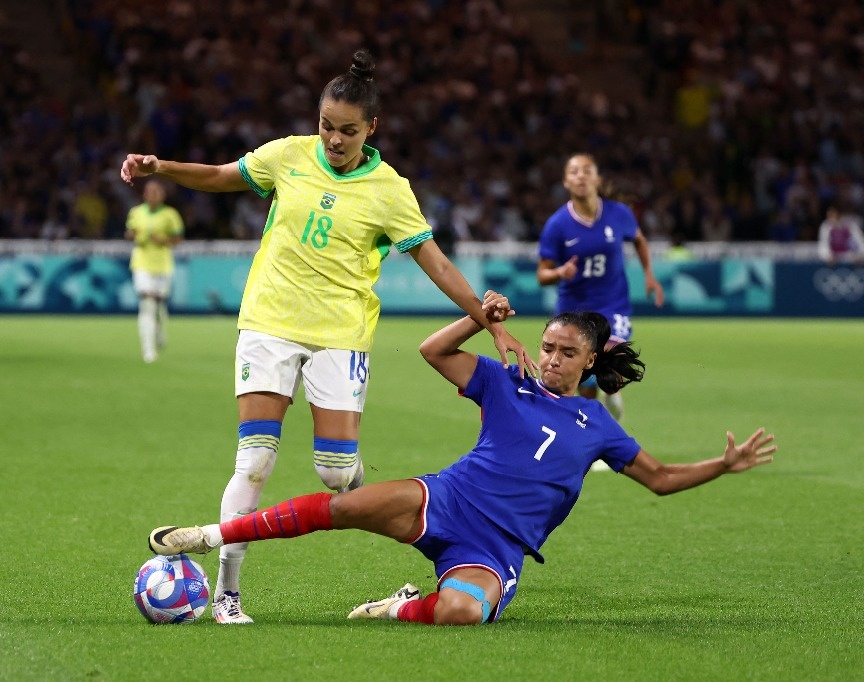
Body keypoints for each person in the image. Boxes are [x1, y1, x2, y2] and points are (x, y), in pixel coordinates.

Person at [121, 49, 532, 625]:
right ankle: (227, 593)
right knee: (254, 461)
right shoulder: (286, 155)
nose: (334, 140)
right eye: (326, 126)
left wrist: (492, 324)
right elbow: (221, 178)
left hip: (341, 334)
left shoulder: (390, 189)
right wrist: (159, 167)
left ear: (371, 129)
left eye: (347, 131)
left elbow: (435, 263)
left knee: (335, 475)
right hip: (268, 323)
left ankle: (361, 490)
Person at [146, 293, 776, 626]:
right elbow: (431, 350)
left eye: (565, 352)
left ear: (590, 362)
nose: (551, 358)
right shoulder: (508, 381)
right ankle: (206, 535)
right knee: (342, 506)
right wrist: (481, 317)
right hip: (444, 499)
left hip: (495, 548)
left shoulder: (599, 428)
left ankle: (397, 607)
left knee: (460, 612)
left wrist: (723, 464)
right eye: (548, 345)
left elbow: (661, 480)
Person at [536, 153, 665, 426]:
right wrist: (559, 272)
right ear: (566, 182)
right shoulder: (557, 225)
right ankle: (591, 434)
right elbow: (542, 275)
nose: (580, 175)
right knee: (585, 384)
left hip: (612, 305)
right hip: (574, 309)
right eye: (574, 172)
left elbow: (639, 241)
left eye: (586, 170)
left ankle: (612, 392)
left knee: (609, 367)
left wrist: (649, 275)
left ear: (597, 179)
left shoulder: (619, 214)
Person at [124, 179, 184, 363]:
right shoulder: (136, 213)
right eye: (150, 191)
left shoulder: (170, 214)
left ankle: (159, 331)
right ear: (144, 194)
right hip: (141, 262)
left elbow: (178, 238)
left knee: (158, 306)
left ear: (163, 195)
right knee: (147, 303)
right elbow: (129, 233)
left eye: (157, 191)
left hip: (163, 264)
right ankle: (148, 350)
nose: (153, 194)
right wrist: (132, 235)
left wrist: (163, 240)